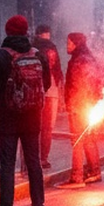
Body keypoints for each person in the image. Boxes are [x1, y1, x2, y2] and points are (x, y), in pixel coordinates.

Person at [0, 14, 49, 206]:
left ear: (8, 31)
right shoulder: (38, 54)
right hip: (32, 118)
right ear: (26, 31)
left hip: (8, 117)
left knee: (8, 163)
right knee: (34, 162)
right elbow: (45, 84)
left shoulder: (1, 55)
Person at [62, 32, 104, 188]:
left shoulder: (78, 61)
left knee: (77, 139)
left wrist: (74, 105)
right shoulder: (88, 58)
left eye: (70, 43)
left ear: (76, 43)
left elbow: (79, 84)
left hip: (79, 104)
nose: (67, 46)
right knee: (88, 138)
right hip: (88, 103)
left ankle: (77, 176)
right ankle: (94, 172)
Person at [32, 23, 64, 168]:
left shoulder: (31, 48)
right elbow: (57, 69)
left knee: (34, 125)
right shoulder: (51, 48)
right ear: (47, 34)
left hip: (34, 91)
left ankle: (31, 157)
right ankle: (43, 157)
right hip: (51, 91)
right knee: (47, 127)